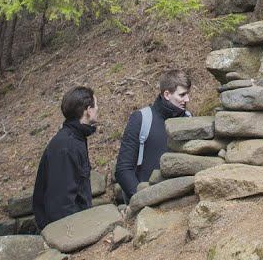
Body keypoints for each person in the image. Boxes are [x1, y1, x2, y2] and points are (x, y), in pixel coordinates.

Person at [114, 69, 191, 203]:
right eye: (182, 95)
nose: (187, 99)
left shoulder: (190, 120)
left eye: (187, 94)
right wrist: (142, 198)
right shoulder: (141, 119)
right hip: (147, 204)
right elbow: (123, 169)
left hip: (182, 201)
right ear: (167, 94)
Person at [31, 86, 98, 229]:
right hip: (65, 233)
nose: (97, 109)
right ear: (88, 110)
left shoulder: (76, 138)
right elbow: (61, 205)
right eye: (95, 105)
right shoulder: (66, 146)